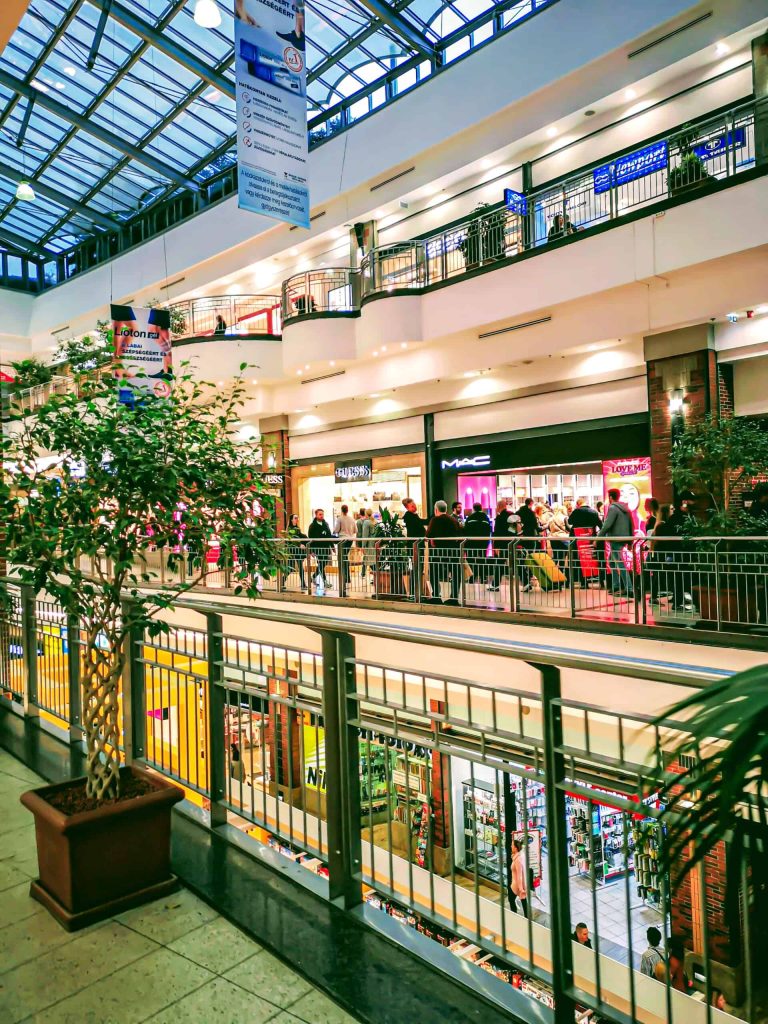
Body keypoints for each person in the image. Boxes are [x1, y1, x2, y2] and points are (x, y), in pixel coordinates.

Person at [598, 488, 635, 597]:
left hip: (615, 539)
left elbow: (607, 525)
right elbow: (631, 524)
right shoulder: (626, 508)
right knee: (612, 561)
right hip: (624, 538)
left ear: (610, 497)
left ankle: (629, 588)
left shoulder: (613, 508)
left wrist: (597, 538)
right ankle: (616, 585)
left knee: (619, 562)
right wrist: (630, 541)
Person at [426, 500, 462, 604]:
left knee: (434, 572)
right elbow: (459, 533)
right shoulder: (453, 520)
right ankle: (454, 597)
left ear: (436, 509)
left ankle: (437, 595)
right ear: (446, 509)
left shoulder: (435, 520)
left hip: (438, 552)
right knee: (455, 573)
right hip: (453, 551)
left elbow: (428, 535)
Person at [463, 502, 492, 584]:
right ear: (481, 508)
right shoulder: (485, 518)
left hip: (471, 543)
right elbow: (488, 530)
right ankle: (482, 577)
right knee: (482, 559)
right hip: (482, 543)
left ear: (473, 508)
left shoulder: (470, 518)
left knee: (471, 560)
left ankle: (472, 577)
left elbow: (466, 530)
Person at [307, 508, 333, 588]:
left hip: (326, 547)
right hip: (318, 548)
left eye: (322, 514)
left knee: (323, 563)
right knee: (321, 563)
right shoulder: (312, 526)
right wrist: (311, 551)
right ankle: (324, 581)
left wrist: (332, 546)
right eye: (320, 514)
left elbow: (329, 535)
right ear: (316, 515)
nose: (322, 516)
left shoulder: (326, 524)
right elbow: (310, 538)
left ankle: (314, 576)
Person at [334, 504, 356, 586]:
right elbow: (355, 530)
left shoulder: (340, 519)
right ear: (347, 510)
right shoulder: (352, 519)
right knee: (345, 557)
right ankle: (348, 578)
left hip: (342, 540)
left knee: (341, 558)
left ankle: (343, 577)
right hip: (350, 540)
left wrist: (334, 532)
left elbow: (336, 530)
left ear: (341, 510)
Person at [286, 513, 307, 590]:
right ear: (291, 520)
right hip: (292, 550)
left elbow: (300, 535)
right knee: (290, 568)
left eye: (297, 518)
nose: (297, 519)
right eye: (295, 518)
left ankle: (303, 584)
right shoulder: (290, 529)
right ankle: (282, 581)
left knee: (300, 567)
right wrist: (299, 544)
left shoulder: (297, 528)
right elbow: (292, 539)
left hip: (297, 551)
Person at [508, 838, 528, 916]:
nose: (510, 846)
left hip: (516, 885)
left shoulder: (517, 860)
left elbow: (519, 875)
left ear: (516, 848)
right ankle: (526, 916)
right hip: (518, 884)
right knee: (523, 900)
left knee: (511, 899)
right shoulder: (519, 856)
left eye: (512, 845)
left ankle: (514, 916)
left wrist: (520, 889)